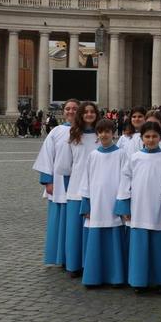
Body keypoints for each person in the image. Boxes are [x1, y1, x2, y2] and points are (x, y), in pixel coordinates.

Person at [114, 121, 161, 294]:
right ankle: (139, 280)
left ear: (160, 138)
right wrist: (124, 205)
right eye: (147, 136)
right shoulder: (134, 158)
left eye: (154, 136)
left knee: (159, 246)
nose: (151, 139)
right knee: (139, 246)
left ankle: (160, 280)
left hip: (159, 209)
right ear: (141, 139)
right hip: (138, 208)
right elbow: (125, 181)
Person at [79, 119, 127, 287]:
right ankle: (94, 276)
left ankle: (116, 276)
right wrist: (86, 203)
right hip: (97, 203)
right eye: (101, 132)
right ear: (97, 135)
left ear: (113, 133)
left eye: (107, 131)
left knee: (114, 240)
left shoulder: (121, 154)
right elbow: (86, 181)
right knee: (96, 239)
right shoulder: (93, 155)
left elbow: (125, 180)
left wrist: (122, 203)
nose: (104, 135)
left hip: (113, 202)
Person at [32, 98, 80, 266]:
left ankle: (75, 256)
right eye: (68, 108)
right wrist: (47, 181)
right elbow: (47, 156)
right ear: (63, 111)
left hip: (80, 184)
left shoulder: (87, 132)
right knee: (59, 220)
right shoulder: (56, 131)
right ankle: (60, 256)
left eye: (74, 108)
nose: (71, 111)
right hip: (58, 183)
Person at [63, 102, 100, 277]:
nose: (89, 114)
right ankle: (74, 265)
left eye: (92, 112)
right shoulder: (73, 134)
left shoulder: (102, 135)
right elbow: (66, 165)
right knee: (74, 230)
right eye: (86, 112)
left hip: (97, 188)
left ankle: (90, 265)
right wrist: (67, 189)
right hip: (76, 186)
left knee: (92, 229)